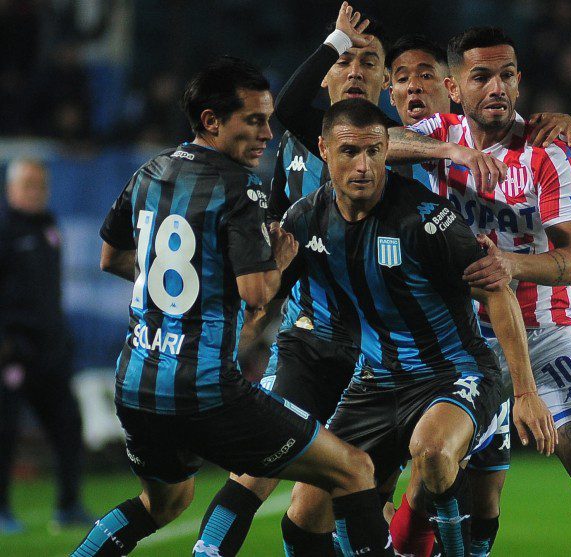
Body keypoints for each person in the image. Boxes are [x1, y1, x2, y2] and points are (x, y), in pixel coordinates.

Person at [192, 6, 512, 555]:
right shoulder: (299, 141)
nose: (357, 69)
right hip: (315, 341)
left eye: (371, 61)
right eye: (345, 58)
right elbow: (273, 255)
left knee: (385, 488)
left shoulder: (411, 146)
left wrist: (555, 129)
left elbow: (462, 122)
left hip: (394, 348)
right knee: (274, 480)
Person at [69, 56, 390, 557]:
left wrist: (190, 281)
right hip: (206, 393)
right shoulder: (241, 188)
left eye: (268, 119)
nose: (266, 132)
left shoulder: (150, 172)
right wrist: (281, 259)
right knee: (352, 469)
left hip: (136, 385)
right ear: (212, 122)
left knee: (164, 504)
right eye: (254, 120)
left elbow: (112, 256)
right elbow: (259, 294)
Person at [388, 27, 571, 557]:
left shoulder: (550, 155)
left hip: (544, 332)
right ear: (455, 88)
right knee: (430, 483)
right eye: (481, 76)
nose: (497, 87)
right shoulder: (436, 134)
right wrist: (449, 148)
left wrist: (509, 263)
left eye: (506, 75)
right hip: (457, 340)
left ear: (519, 82)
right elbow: (373, 144)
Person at [279, 98, 557, 557]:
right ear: (324, 151)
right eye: (350, 152)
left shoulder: (427, 221)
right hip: (377, 382)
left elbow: (498, 291)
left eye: (374, 151)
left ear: (388, 149)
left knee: (431, 452)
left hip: (457, 375)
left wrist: (526, 393)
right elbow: (260, 297)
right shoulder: (306, 220)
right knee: (306, 510)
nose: (364, 165)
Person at [0, 159, 91, 533]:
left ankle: (68, 506)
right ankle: (1, 510)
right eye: (28, 185)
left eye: (41, 185)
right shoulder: (5, 231)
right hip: (13, 351)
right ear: (11, 189)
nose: (36, 191)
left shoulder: (50, 227)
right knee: (4, 433)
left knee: (70, 426)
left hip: (51, 352)